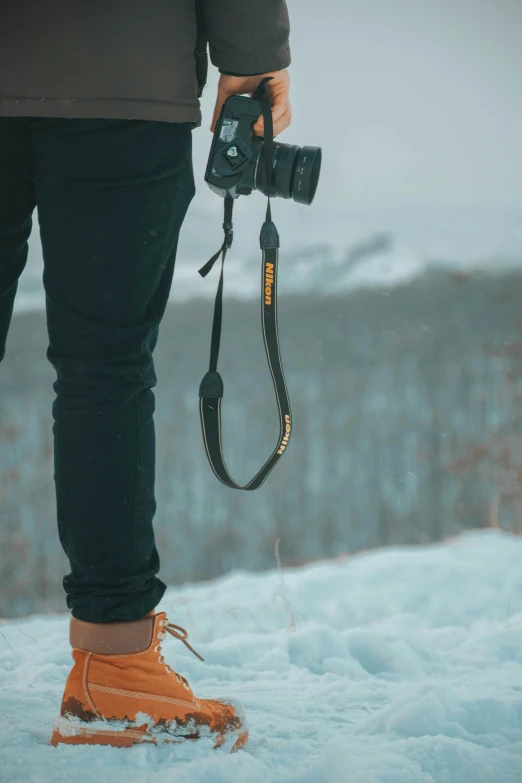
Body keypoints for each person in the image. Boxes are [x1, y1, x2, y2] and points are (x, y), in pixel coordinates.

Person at [0, 0, 291, 751]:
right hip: (119, 71)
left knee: (106, 371)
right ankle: (116, 665)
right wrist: (252, 52)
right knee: (104, 368)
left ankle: (118, 666)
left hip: (113, 77)